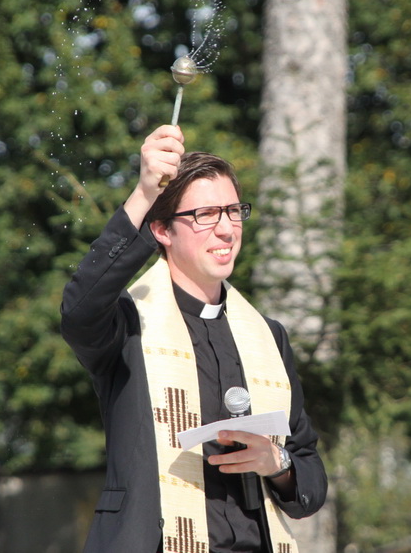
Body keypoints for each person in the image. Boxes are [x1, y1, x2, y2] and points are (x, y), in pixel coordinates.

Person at [60, 124, 328, 553]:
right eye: (205, 215)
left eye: (233, 211)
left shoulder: (268, 336)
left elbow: (310, 478)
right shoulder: (127, 326)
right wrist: (144, 193)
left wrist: (277, 463)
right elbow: (78, 309)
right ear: (162, 230)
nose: (226, 229)